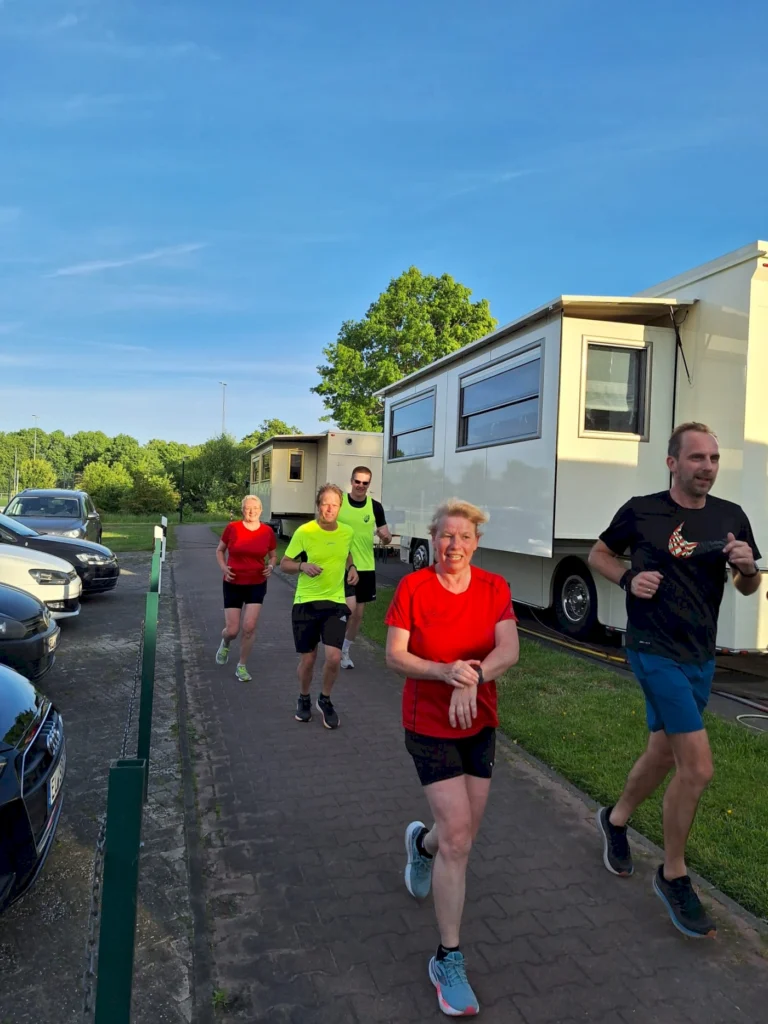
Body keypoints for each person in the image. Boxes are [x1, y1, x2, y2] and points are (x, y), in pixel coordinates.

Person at [588, 422, 762, 939]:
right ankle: (673, 874)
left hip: (699, 655)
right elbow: (600, 553)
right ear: (672, 463)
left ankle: (615, 820)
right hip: (651, 648)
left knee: (663, 752)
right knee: (698, 768)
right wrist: (626, 578)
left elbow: (746, 586)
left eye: (713, 458)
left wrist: (749, 568)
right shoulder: (642, 510)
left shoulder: (732, 516)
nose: (706, 467)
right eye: (696, 458)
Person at [384, 498, 519, 1017]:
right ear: (432, 539)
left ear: (476, 543)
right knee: (459, 838)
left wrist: (474, 676)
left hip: (479, 722)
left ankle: (421, 843)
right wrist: (445, 673)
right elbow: (396, 655)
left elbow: (508, 649)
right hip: (427, 723)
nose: (454, 546)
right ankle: (448, 957)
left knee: (459, 835)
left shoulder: (494, 588)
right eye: (445, 536)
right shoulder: (413, 587)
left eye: (464, 537)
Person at [280, 484, 358, 729]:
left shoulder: (347, 531)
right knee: (309, 659)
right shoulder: (305, 531)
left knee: (333, 657)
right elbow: (284, 563)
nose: (330, 509)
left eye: (334, 504)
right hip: (306, 602)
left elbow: (346, 552)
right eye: (325, 504)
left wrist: (352, 568)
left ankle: (325, 700)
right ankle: (304, 697)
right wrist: (303, 566)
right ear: (318, 505)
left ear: (340, 507)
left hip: (335, 602)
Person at [215, 495, 278, 682]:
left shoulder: (267, 532)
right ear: (242, 510)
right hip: (233, 582)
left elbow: (273, 556)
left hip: (257, 583)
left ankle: (241, 665)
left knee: (249, 627)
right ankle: (225, 641)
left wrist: (271, 566)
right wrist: (224, 567)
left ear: (261, 510)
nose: (251, 512)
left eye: (255, 508)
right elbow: (220, 550)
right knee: (233, 630)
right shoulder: (232, 528)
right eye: (247, 508)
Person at [337, 465, 392, 669]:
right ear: (351, 481)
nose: (360, 485)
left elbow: (385, 536)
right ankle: (333, 644)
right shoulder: (339, 501)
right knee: (346, 610)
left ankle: (344, 650)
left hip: (365, 567)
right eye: (357, 481)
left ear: (369, 484)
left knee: (357, 615)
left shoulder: (375, 506)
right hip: (340, 564)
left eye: (365, 483)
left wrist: (386, 538)